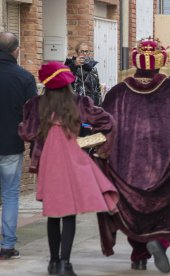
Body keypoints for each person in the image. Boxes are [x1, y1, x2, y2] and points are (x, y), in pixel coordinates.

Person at [98, 40, 170, 273]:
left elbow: (102, 125)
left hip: (127, 169)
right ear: (160, 63)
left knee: (133, 212)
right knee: (169, 207)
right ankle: (159, 243)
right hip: (165, 166)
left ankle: (138, 256)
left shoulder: (117, 93)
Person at [18, 61, 119, 275]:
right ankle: (65, 263)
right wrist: (87, 143)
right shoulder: (80, 102)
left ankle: (53, 263)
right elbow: (108, 123)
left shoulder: (35, 104)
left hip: (48, 161)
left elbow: (26, 133)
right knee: (69, 214)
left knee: (53, 214)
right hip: (74, 160)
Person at [0, 32, 37, 260]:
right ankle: (7, 245)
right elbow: (33, 114)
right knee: (11, 194)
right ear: (16, 50)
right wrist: (34, 144)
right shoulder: (24, 77)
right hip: (11, 144)